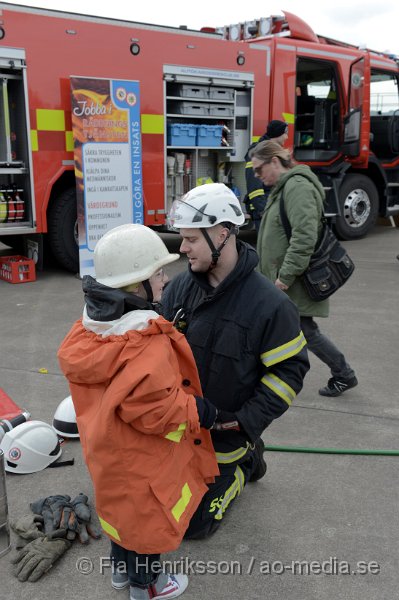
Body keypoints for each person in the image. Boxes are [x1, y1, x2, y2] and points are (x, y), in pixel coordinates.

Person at [57, 224, 219, 600]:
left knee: (118, 514)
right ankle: (148, 587)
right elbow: (154, 410)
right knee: (146, 523)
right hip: (142, 460)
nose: (165, 279)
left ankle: (119, 572)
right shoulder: (145, 346)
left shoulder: (90, 331)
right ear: (136, 285)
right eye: (158, 273)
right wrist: (198, 410)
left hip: (108, 453)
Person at [162, 183, 309, 539]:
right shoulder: (181, 290)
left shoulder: (270, 305)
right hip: (182, 428)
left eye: (191, 240)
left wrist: (245, 422)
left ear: (222, 234)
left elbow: (289, 371)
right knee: (151, 505)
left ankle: (246, 463)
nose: (182, 249)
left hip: (226, 436)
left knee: (194, 526)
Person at [251, 140, 358, 397]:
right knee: (283, 329)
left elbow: (304, 237)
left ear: (275, 161)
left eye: (258, 169)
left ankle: (344, 373)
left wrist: (284, 278)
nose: (256, 175)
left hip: (291, 281)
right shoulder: (284, 187)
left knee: (304, 332)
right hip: (281, 279)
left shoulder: (297, 187)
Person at [244, 119, 289, 231]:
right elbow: (254, 188)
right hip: (262, 211)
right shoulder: (257, 152)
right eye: (285, 133)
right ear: (277, 134)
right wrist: (263, 211)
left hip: (271, 208)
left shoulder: (271, 151)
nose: (286, 137)